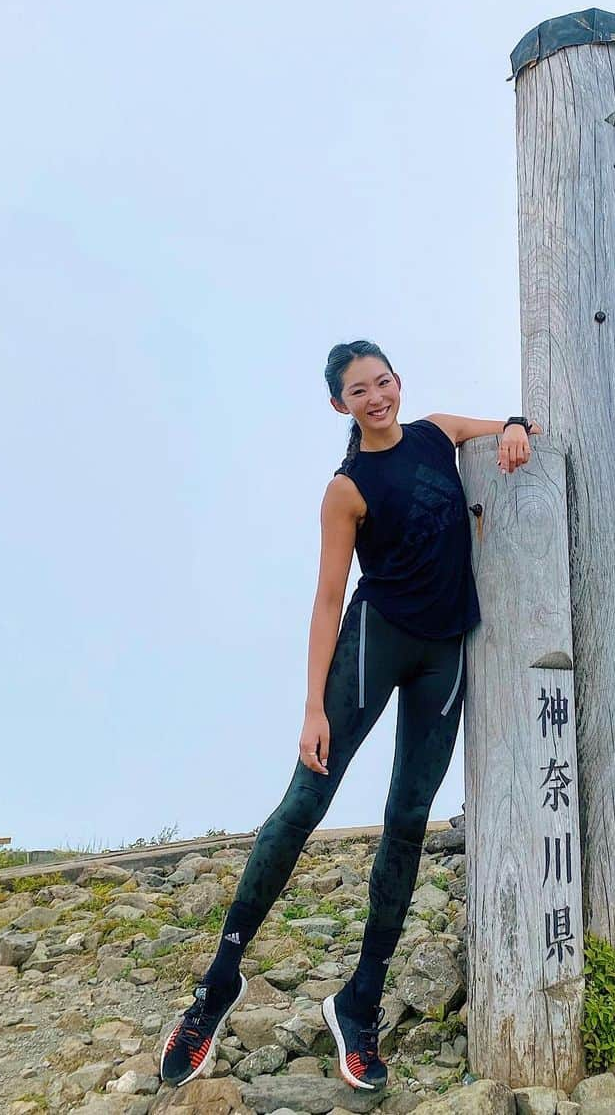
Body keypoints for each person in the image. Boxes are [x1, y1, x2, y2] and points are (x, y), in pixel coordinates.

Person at [160, 339, 541, 1090]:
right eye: (359, 391)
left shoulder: (435, 432)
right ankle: (218, 985)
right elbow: (328, 595)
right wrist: (312, 707)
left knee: (407, 821)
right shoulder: (347, 487)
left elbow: (491, 425)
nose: (377, 397)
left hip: (445, 652)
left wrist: (518, 423)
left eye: (384, 381)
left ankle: (360, 999)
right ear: (340, 405)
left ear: (398, 382)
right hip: (374, 645)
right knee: (304, 805)